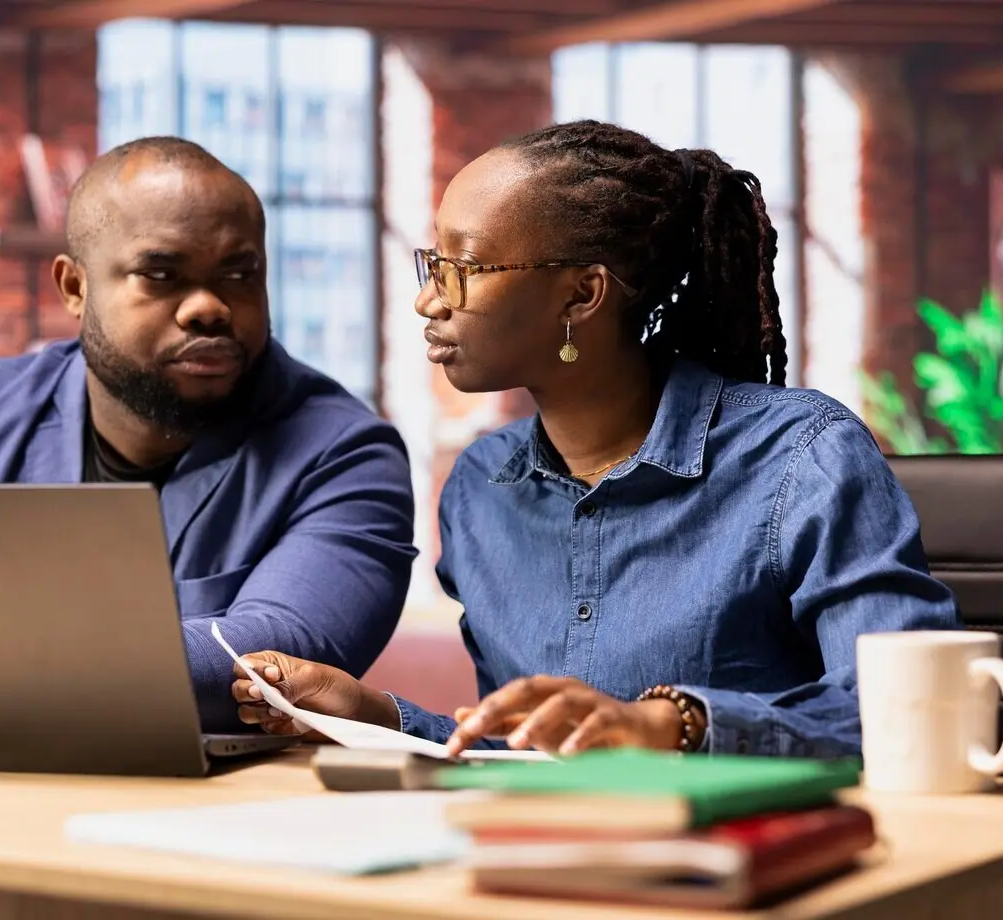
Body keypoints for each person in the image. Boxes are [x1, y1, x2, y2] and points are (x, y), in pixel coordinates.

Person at [231, 120, 960, 759]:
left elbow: (912, 716)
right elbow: (528, 755)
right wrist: (374, 715)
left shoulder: (803, 458)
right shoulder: (483, 487)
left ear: (582, 295)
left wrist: (671, 725)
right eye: (434, 264)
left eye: (465, 268)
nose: (430, 299)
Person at [0, 137, 417, 732]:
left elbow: (270, 660)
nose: (210, 308)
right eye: (162, 274)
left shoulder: (344, 453)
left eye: (240, 274)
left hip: (207, 812)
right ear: (74, 289)